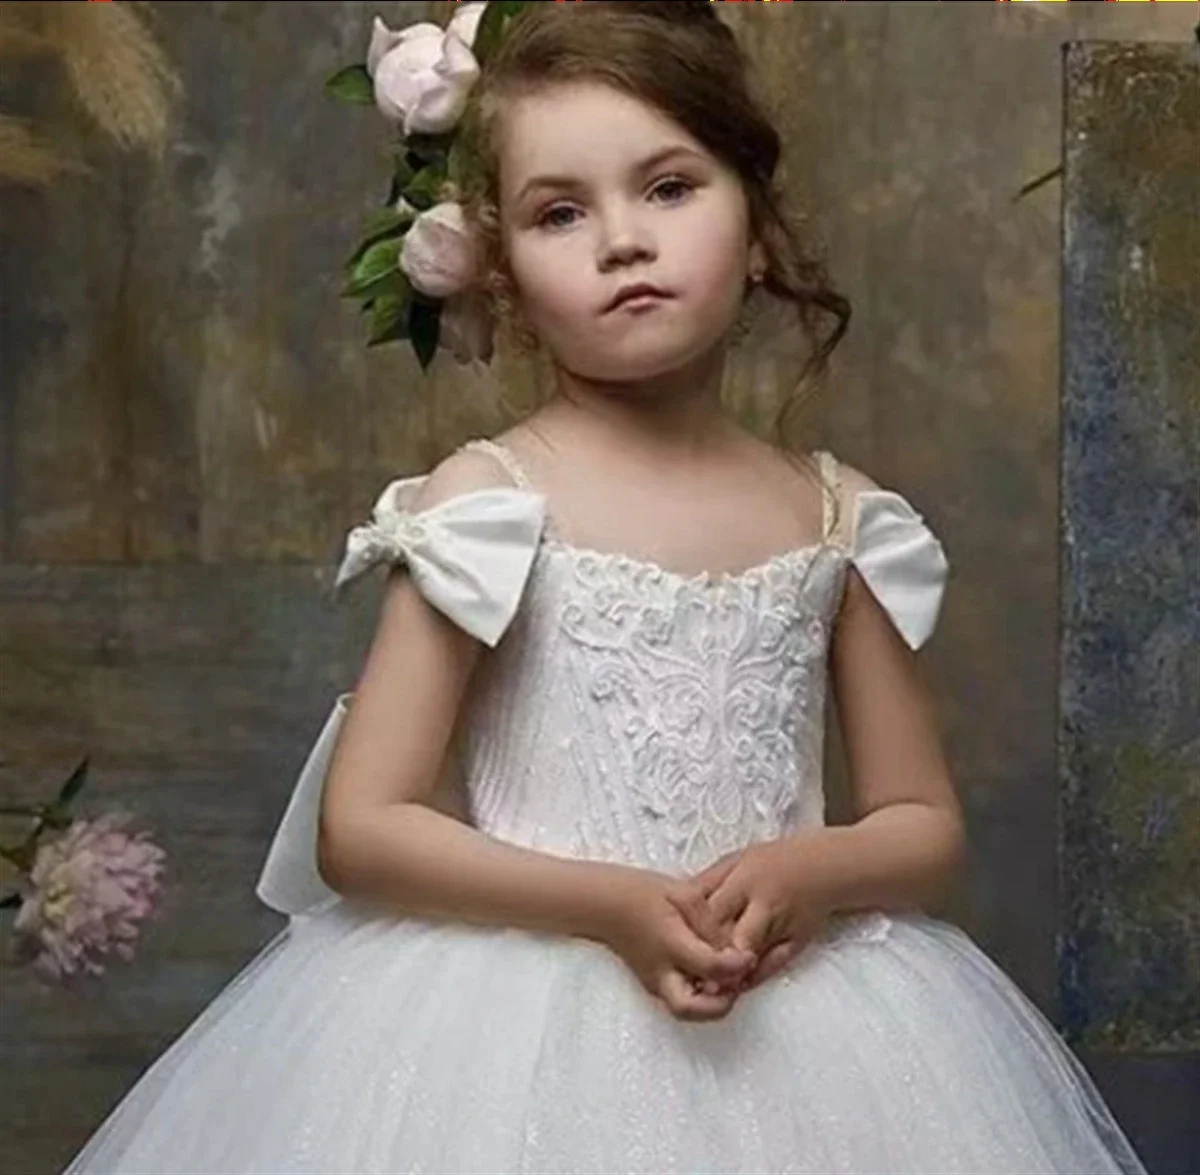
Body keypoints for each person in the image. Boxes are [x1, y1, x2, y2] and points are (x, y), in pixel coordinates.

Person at [63, 3, 1149, 1172]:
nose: (621, 240)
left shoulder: (841, 518)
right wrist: (610, 903)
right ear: (505, 278)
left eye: (670, 187)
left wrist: (810, 865)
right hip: (511, 1029)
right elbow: (363, 827)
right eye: (560, 212)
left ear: (762, 229)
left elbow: (922, 822)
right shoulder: (486, 506)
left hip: (814, 1035)